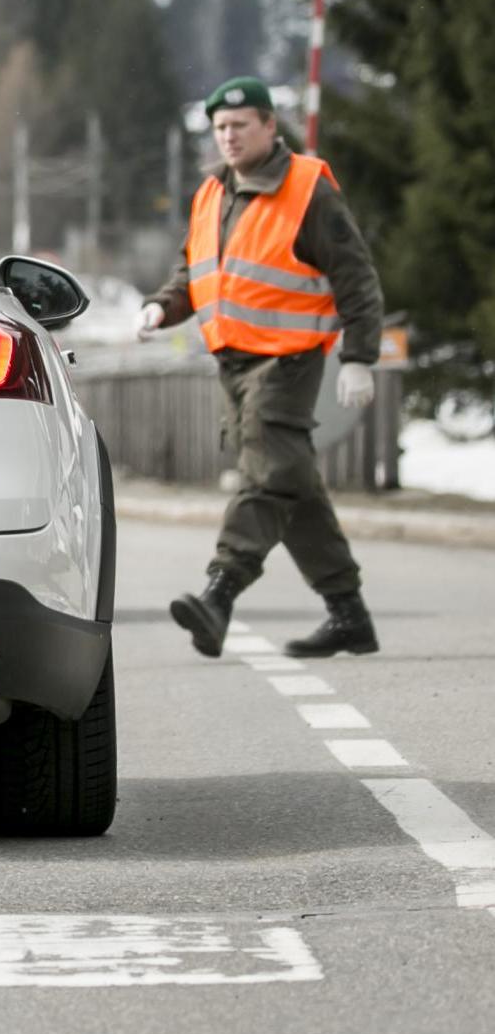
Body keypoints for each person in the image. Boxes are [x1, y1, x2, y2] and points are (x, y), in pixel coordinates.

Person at [140, 77, 385, 661]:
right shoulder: (211, 193)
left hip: (289, 360)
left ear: (270, 127)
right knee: (292, 485)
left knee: (268, 472)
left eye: (240, 125)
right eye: (220, 128)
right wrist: (162, 305)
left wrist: (359, 358)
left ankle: (219, 592)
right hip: (234, 363)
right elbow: (193, 273)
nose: (228, 137)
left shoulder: (307, 189)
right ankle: (348, 613)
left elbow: (358, 279)